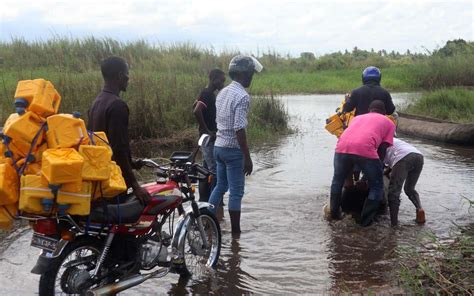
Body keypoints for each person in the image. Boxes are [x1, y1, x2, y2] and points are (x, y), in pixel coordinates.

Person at [208, 55, 263, 235]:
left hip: (218, 148)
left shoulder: (222, 92)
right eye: (250, 75)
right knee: (236, 193)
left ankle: (205, 221)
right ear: (244, 74)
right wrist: (247, 157)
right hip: (232, 151)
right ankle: (236, 235)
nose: (251, 78)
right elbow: (239, 128)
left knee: (220, 186)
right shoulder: (242, 96)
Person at [88, 56, 151, 204]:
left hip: (99, 177)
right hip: (114, 180)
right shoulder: (117, 105)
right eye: (127, 74)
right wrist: (136, 186)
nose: (129, 78)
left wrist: (132, 163)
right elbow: (118, 148)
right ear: (120, 76)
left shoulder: (97, 102)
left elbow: (101, 141)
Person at [330, 100, 395, 226]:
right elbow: (382, 149)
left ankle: (334, 215)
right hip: (365, 149)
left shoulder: (357, 118)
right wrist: (373, 172)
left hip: (341, 148)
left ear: (369, 110)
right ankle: (365, 223)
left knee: (337, 181)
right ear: (385, 112)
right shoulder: (389, 122)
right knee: (376, 187)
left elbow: (352, 138)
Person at [193, 69, 226, 201]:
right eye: (221, 81)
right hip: (208, 138)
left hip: (208, 136)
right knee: (214, 170)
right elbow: (196, 110)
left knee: (206, 169)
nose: (223, 84)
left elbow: (194, 106)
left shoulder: (209, 94)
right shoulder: (207, 94)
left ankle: (204, 200)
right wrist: (206, 129)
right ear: (214, 80)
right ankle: (215, 201)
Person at [384, 138, 425, 226]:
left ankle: (394, 225)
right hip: (418, 156)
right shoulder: (395, 141)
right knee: (409, 188)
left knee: (393, 192)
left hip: (403, 158)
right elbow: (393, 162)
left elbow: (379, 163)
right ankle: (419, 209)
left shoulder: (380, 142)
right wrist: (387, 172)